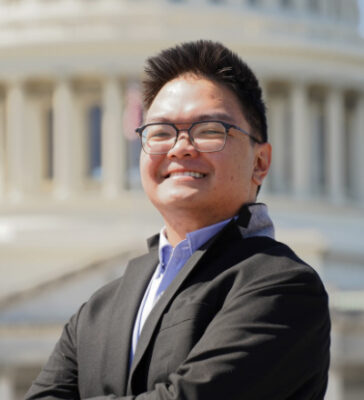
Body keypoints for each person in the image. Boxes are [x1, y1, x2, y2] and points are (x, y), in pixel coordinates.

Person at [26, 40, 330, 400]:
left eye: (209, 131)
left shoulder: (282, 286)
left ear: (260, 162)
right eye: (160, 133)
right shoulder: (100, 308)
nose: (181, 147)